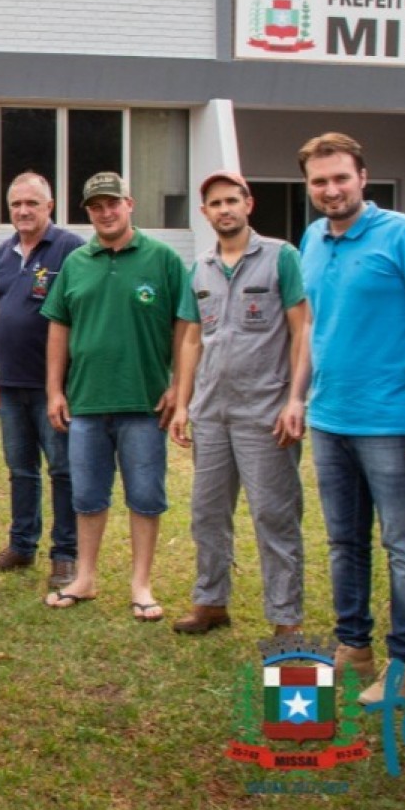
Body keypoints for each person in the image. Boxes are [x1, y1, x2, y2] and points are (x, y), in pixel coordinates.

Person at [298, 132, 405, 702]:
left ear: (363, 177)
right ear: (308, 187)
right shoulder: (313, 237)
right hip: (330, 417)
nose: (331, 189)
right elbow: (314, 326)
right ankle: (352, 648)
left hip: (392, 422)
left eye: (341, 177)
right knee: (344, 542)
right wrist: (298, 396)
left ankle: (404, 663)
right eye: (319, 181)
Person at [42, 172, 195, 619]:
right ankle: (85, 578)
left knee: (145, 495)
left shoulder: (163, 259)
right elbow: (58, 327)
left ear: (130, 204)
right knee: (88, 496)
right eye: (96, 206)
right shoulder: (76, 263)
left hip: (145, 405)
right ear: (87, 212)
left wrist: (178, 388)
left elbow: (186, 327)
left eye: (113, 203)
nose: (105, 213)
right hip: (86, 403)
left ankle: (141, 584)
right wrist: (55, 390)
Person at [168, 171, 311, 636]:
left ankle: (285, 619)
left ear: (249, 204)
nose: (224, 209)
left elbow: (301, 329)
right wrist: (184, 403)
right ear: (204, 213)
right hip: (212, 412)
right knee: (207, 512)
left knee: (274, 515)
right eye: (215, 203)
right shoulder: (202, 266)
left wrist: (295, 399)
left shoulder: (280, 257)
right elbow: (191, 338)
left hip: (265, 413)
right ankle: (211, 602)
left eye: (233, 200)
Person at [0, 172, 84, 590]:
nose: (23, 211)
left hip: (55, 387)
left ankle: (65, 555)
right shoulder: (3, 253)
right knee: (20, 469)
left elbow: (81, 313)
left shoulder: (71, 250)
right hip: (13, 384)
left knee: (63, 470)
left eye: (31, 204)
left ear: (49, 207)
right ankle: (21, 545)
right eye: (16, 204)